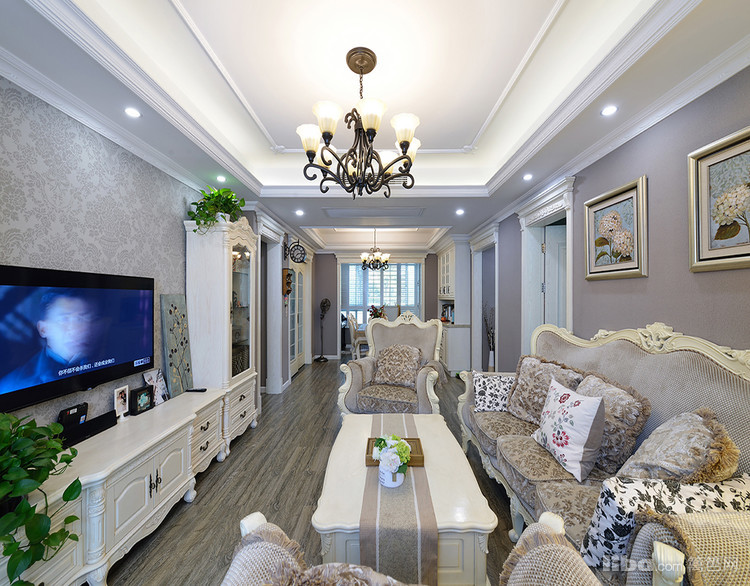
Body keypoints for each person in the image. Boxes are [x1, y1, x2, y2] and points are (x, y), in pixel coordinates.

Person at [0, 289, 103, 394]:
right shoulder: (12, 386)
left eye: (84, 319)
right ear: (43, 329)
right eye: (64, 319)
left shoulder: (102, 362)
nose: (78, 329)